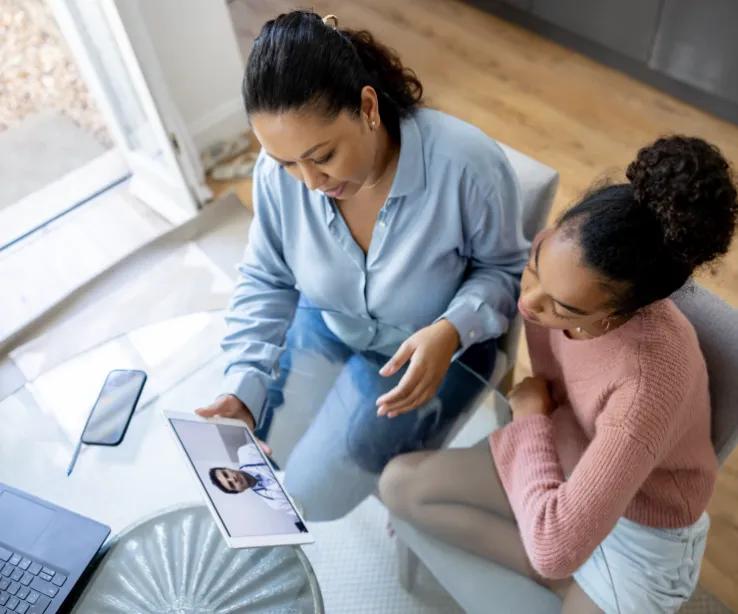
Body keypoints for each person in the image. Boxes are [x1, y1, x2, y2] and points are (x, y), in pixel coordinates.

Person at [379, 136, 738, 613]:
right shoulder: (558, 267)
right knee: (400, 486)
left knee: (554, 543)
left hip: (640, 531)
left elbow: (552, 545)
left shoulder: (647, 383)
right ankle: (565, 577)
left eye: (563, 307)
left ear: (617, 313)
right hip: (571, 458)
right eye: (534, 270)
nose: (530, 302)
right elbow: (555, 540)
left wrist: (528, 419)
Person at [196, 10, 529, 521]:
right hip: (328, 320)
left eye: (322, 155)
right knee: (257, 446)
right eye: (287, 162)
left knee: (311, 495)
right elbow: (268, 275)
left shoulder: (467, 166)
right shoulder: (276, 175)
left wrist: (450, 330)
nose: (308, 182)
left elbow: (505, 272)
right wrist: (242, 380)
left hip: (429, 353)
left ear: (367, 107)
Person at [209, 442, 300, 521]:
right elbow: (302, 509)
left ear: (227, 468)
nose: (233, 479)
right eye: (231, 484)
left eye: (226, 474)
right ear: (239, 491)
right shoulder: (274, 503)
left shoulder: (246, 452)